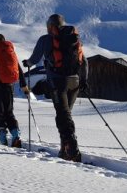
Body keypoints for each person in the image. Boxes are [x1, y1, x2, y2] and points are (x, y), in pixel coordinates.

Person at [23, 13, 88, 162]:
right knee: (65, 115)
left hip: (59, 82)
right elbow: (84, 61)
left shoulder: (46, 40)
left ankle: (72, 149)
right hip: (75, 82)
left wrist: (27, 63)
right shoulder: (74, 39)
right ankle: (63, 149)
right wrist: (84, 80)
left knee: (63, 115)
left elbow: (34, 59)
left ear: (50, 26)